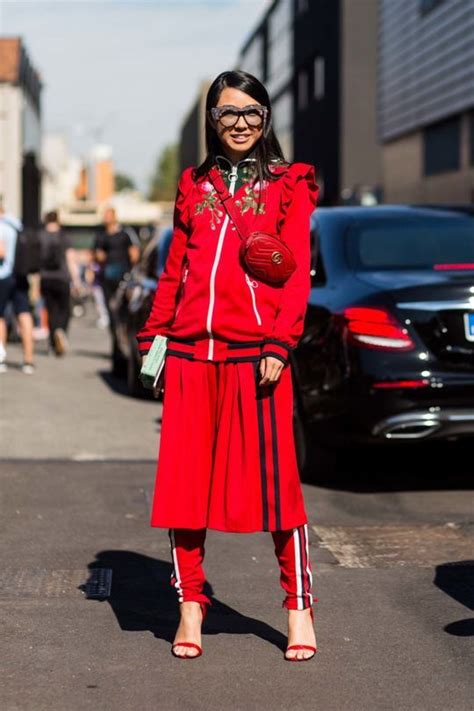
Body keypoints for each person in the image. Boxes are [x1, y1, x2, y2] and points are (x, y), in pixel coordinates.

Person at [136, 70, 319, 661]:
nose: (240, 124)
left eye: (251, 113)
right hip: (191, 356)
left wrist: (278, 344)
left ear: (266, 119)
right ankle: (190, 606)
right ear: (212, 121)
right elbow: (174, 271)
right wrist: (153, 337)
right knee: (185, 493)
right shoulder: (193, 183)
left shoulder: (289, 184)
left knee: (278, 495)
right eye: (228, 113)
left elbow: (293, 280)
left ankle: (298, 608)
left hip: (255, 359)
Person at [93, 208, 139, 365]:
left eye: (108, 215)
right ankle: (117, 348)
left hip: (123, 280)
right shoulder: (101, 236)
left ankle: (121, 347)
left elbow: (134, 254)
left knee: (123, 314)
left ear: (114, 217)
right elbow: (97, 255)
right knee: (113, 315)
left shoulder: (125, 235)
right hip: (108, 281)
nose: (105, 218)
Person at [39, 210, 81, 355]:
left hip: (45, 278)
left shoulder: (41, 236)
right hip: (62, 278)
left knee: (51, 310)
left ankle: (52, 343)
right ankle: (60, 331)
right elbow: (71, 260)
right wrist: (76, 281)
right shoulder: (64, 236)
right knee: (64, 309)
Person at [0, 197, 35, 374]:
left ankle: (1, 360)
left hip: (3, 276)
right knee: (24, 314)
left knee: (0, 318)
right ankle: (28, 360)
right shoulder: (16, 224)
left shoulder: (1, 226)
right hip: (20, 275)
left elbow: (1, 252)